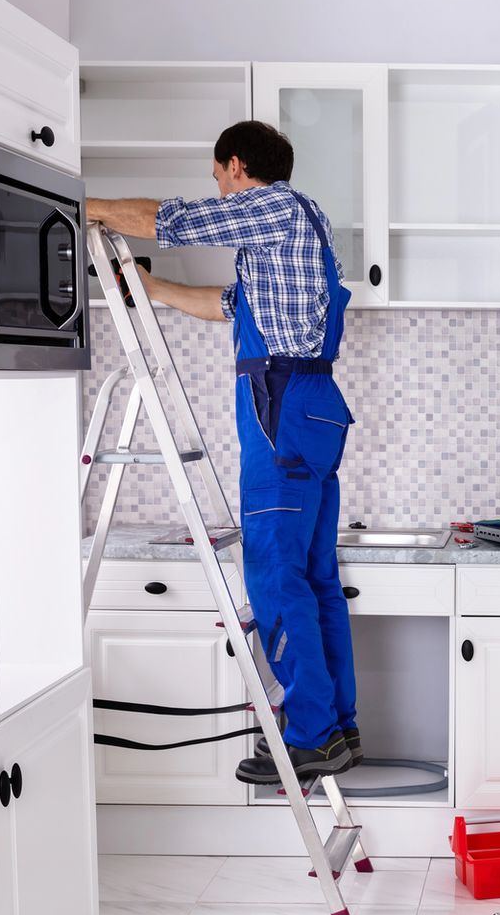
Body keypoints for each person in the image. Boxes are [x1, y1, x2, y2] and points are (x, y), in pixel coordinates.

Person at [87, 120, 359, 783]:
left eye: (217, 176)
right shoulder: (305, 224)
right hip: (312, 405)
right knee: (314, 574)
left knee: (272, 572)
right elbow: (229, 305)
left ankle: (313, 733)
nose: (218, 188)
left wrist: (84, 205)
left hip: (282, 405)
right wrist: (151, 290)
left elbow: (166, 220)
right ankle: (337, 729)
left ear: (238, 166)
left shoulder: (271, 204)